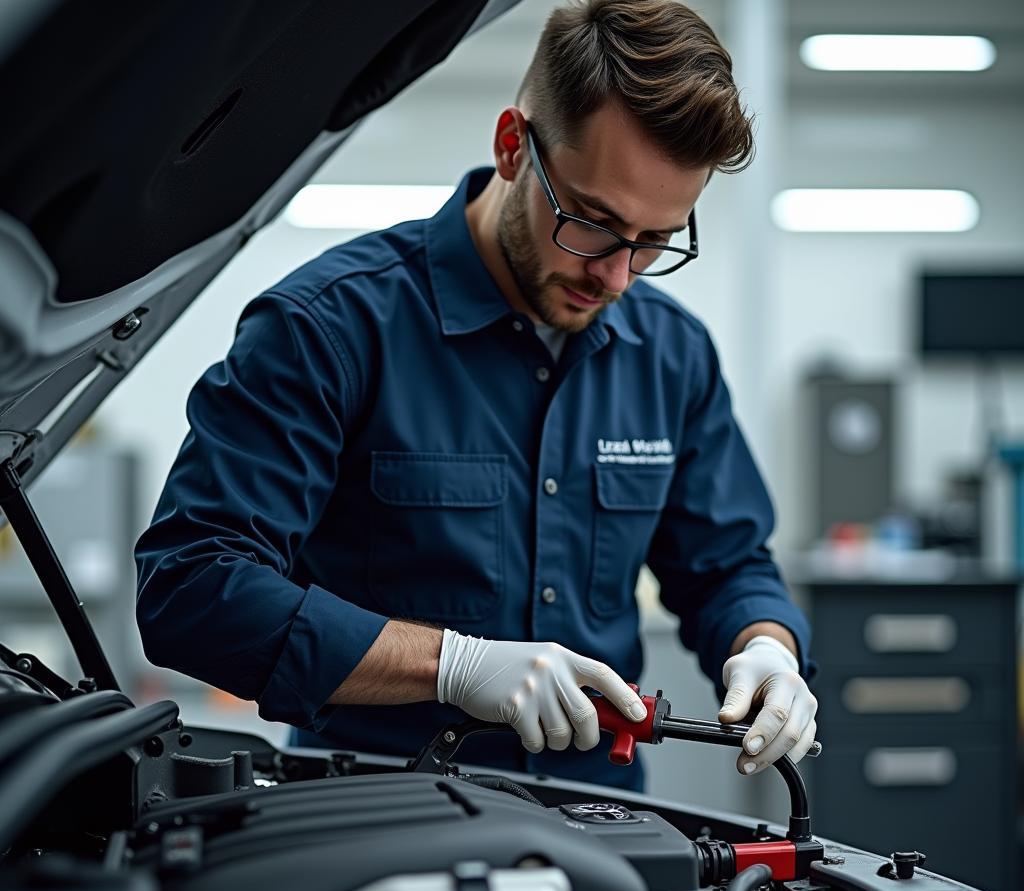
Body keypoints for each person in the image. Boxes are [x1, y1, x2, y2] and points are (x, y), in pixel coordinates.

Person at [135, 0, 817, 793]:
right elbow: (193, 587)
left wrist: (767, 647)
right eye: (592, 223)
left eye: (655, 239)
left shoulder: (672, 354)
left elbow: (727, 564)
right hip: (369, 822)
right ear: (511, 147)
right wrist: (451, 664)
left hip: (598, 823)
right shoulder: (329, 329)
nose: (617, 275)